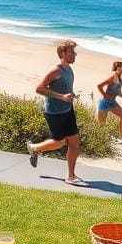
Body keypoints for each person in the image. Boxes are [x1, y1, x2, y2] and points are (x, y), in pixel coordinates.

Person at [26, 39, 86, 186]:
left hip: (68, 109)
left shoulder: (69, 69)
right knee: (60, 142)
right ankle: (34, 148)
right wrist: (61, 97)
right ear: (63, 54)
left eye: (74, 51)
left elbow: (65, 88)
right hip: (55, 112)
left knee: (74, 141)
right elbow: (39, 88)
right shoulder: (55, 70)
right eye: (71, 52)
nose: (75, 54)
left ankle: (70, 176)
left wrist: (70, 95)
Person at [96, 61, 122, 142]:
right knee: (101, 126)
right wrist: (105, 95)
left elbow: (118, 92)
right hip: (104, 103)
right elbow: (99, 86)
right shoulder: (112, 78)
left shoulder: (119, 79)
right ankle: (100, 141)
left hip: (112, 103)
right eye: (121, 67)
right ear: (116, 68)